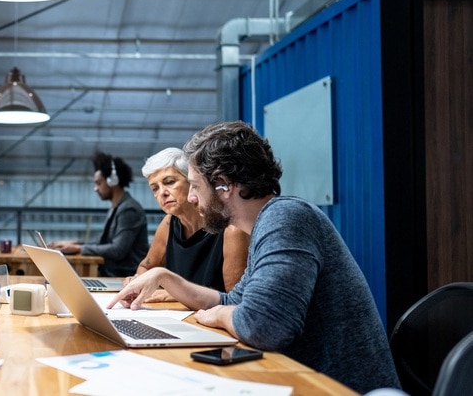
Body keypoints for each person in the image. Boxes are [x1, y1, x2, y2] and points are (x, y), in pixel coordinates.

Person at [108, 121, 399, 393]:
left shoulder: (286, 218)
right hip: (299, 379)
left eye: (195, 186)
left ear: (223, 184)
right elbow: (234, 301)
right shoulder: (266, 224)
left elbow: (264, 326)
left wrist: (220, 315)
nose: (192, 198)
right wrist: (165, 277)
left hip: (335, 389)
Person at [129, 147, 249, 301]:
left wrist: (179, 294)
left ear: (192, 183)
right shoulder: (168, 224)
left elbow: (235, 301)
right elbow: (146, 266)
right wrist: (137, 280)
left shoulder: (231, 230)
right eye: (155, 188)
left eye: (169, 182)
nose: (162, 193)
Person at [48, 152, 149, 277]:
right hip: (112, 272)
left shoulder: (129, 210)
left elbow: (118, 250)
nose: (95, 188)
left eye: (98, 183)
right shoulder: (117, 207)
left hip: (122, 276)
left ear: (113, 181)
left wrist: (79, 249)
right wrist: (75, 244)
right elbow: (102, 241)